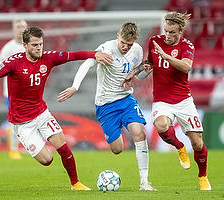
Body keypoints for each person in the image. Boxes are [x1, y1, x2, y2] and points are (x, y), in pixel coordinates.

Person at [0, 26, 113, 190]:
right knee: (46, 160)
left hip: (41, 113)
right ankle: (33, 143)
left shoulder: (48, 58)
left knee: (62, 146)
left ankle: (75, 183)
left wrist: (94, 54)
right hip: (22, 122)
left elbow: (73, 55)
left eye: (40, 44)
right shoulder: (14, 62)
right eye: (34, 45)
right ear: (25, 45)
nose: (39, 48)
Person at [57, 22, 156, 191]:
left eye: (129, 44)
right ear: (118, 35)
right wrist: (75, 86)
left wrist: (145, 71)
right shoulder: (106, 48)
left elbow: (137, 76)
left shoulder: (137, 50)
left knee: (139, 133)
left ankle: (144, 183)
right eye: (123, 42)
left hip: (126, 100)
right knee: (117, 149)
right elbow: (87, 64)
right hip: (105, 105)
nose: (125, 47)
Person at [121, 11, 211, 190]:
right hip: (162, 100)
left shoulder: (187, 46)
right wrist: (135, 72)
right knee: (161, 125)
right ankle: (179, 147)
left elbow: (187, 66)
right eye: (166, 31)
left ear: (180, 31)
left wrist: (167, 56)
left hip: (184, 100)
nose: (168, 35)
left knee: (198, 143)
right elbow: (149, 63)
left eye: (172, 32)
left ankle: (202, 176)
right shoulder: (154, 41)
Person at [0, 19, 27, 159]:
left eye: (23, 26)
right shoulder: (8, 49)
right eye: (18, 26)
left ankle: (31, 146)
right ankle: (14, 150)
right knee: (16, 121)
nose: (21, 29)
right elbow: (1, 70)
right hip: (12, 93)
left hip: (30, 91)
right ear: (13, 29)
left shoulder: (30, 46)